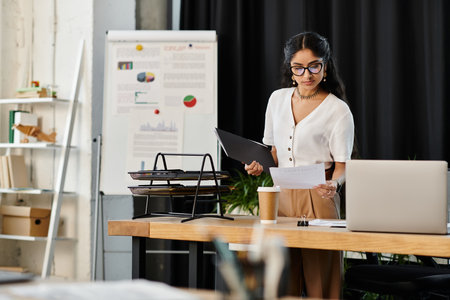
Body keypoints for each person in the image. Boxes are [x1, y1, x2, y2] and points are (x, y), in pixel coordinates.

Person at [245, 32, 354, 299]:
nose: (307, 74)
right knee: (281, 281)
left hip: (319, 195)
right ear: (290, 69)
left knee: (322, 285)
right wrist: (258, 165)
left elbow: (343, 165)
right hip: (280, 197)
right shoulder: (277, 99)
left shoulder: (338, 110)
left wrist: (334, 183)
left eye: (314, 65)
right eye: (299, 68)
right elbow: (272, 151)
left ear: (325, 66)